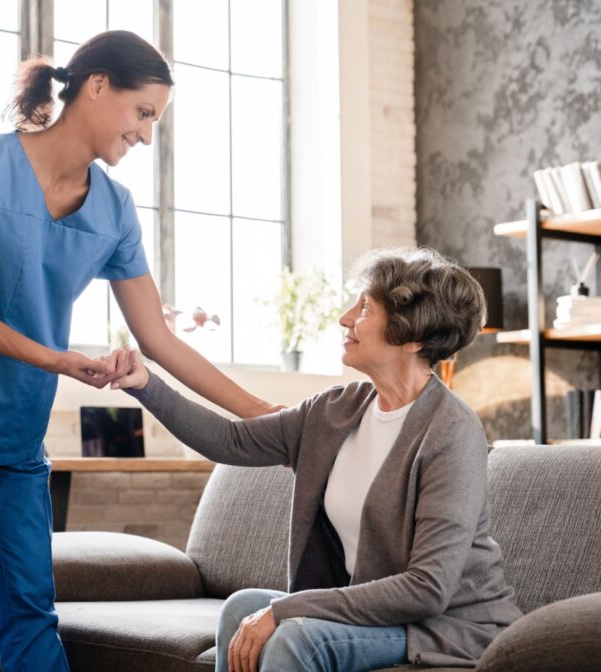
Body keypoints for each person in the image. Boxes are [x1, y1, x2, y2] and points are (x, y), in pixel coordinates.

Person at [0, 30, 277, 672]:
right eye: (142, 112)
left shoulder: (114, 209)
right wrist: (55, 360)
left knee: (32, 609)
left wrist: (267, 415)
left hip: (16, 429)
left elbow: (158, 338)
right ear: (95, 87)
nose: (146, 135)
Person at [111, 248, 524, 672]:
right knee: (242, 608)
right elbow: (230, 442)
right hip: (385, 615)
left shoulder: (450, 430)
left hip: (447, 625)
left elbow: (427, 590)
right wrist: (145, 385)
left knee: (295, 634)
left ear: (411, 336)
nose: (346, 318)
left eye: (364, 307)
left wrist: (286, 609)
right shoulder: (336, 410)